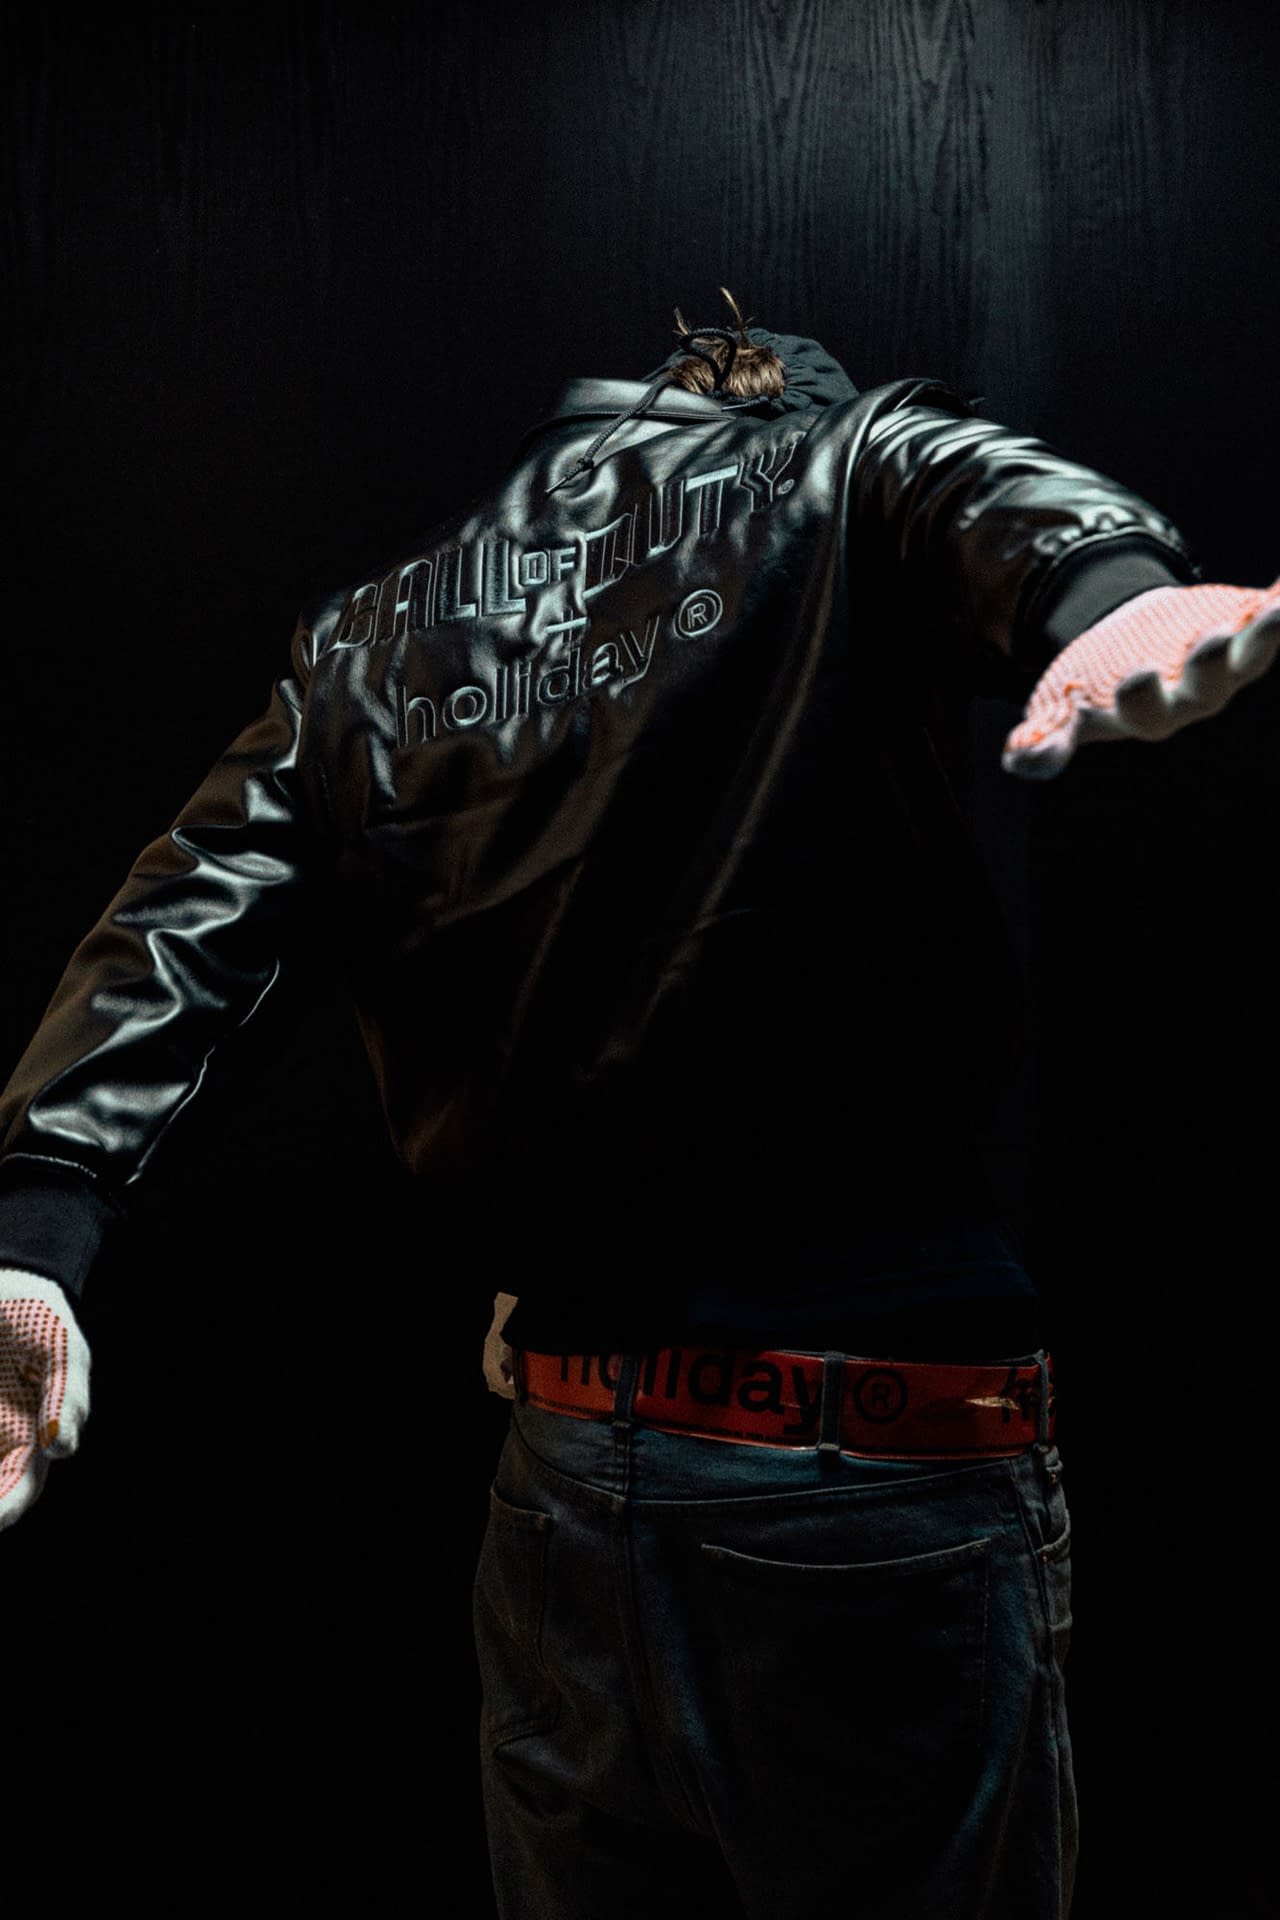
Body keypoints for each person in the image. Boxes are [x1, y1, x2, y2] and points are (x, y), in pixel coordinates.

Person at [1, 288, 1277, 1917]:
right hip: (868, 1482)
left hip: (563, 1483)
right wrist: (1111, 593)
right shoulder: (843, 462)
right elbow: (969, 483)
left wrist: (32, 1239)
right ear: (776, 408)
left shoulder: (368, 641)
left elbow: (177, 935)